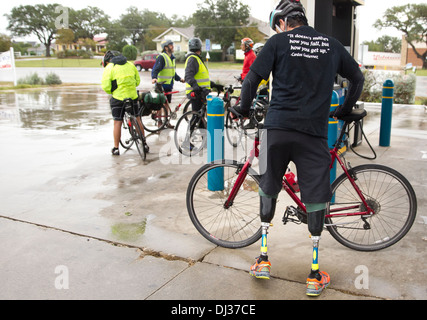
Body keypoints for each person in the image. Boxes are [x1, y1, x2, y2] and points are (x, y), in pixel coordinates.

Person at [231, 0, 364, 297]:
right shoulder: (331, 45)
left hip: (275, 130)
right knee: (315, 199)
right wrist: (343, 110)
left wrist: (242, 107)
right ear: (303, 19)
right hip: (313, 134)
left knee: (268, 187)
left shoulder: (277, 43)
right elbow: (357, 78)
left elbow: (253, 78)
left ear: (282, 22)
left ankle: (263, 260)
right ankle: (314, 275)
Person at [101, 50, 148, 156]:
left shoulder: (110, 67)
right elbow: (137, 81)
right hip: (132, 97)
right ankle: (144, 144)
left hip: (118, 98)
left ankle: (116, 148)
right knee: (137, 118)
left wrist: (112, 91)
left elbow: (106, 86)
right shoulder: (130, 65)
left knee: (117, 122)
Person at [152, 39, 185, 128]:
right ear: (166, 48)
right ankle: (159, 122)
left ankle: (166, 122)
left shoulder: (172, 58)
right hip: (161, 85)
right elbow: (155, 69)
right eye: (171, 45)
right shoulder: (162, 57)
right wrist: (154, 78)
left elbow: (172, 72)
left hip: (169, 85)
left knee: (166, 104)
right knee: (160, 105)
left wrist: (180, 79)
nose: (173, 47)